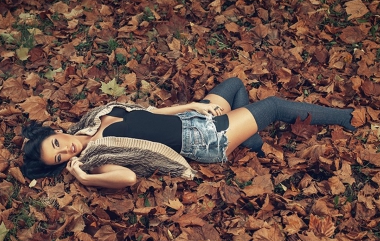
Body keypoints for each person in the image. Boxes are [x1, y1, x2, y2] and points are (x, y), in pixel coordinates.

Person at [21, 77, 356, 188]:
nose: (65, 150)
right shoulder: (97, 159)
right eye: (59, 157)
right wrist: (83, 178)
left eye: (56, 143)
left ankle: (251, 139)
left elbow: (150, 113)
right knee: (273, 107)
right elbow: (127, 179)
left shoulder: (93, 119)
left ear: (56, 132)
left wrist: (190, 105)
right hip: (203, 139)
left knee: (235, 84)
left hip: (192, 118)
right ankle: (345, 118)